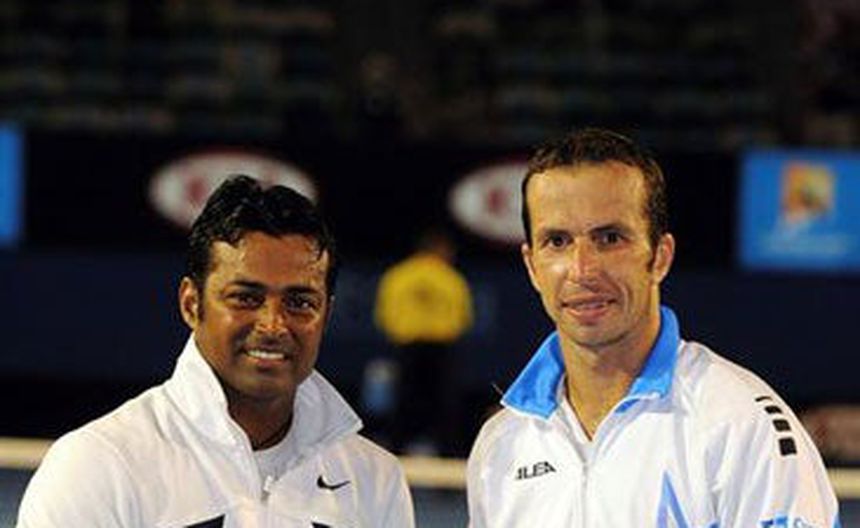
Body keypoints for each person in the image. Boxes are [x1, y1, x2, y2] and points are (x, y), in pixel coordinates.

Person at [466, 128, 840, 527]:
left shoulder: (742, 426)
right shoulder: (500, 447)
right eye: (557, 242)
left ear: (660, 257)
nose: (582, 270)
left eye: (610, 238)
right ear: (532, 266)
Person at [17, 175, 415, 527]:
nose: (273, 325)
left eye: (300, 303)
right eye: (245, 297)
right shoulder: (98, 466)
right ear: (191, 304)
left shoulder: (373, 480)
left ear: (325, 315)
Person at [374, 229, 473, 455]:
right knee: (444, 403)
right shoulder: (450, 278)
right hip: (441, 348)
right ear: (440, 250)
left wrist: (399, 331)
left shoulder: (398, 275)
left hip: (408, 347)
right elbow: (463, 316)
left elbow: (384, 312)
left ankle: (396, 449)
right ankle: (448, 452)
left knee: (404, 400)